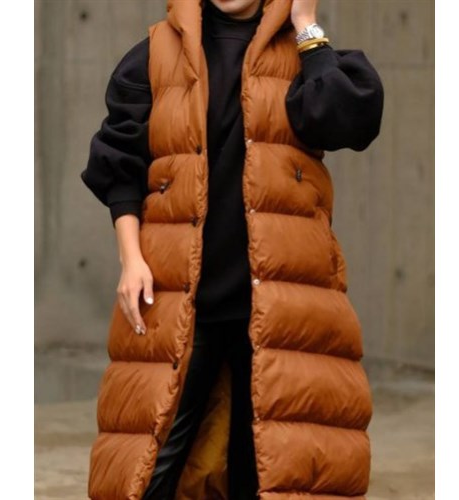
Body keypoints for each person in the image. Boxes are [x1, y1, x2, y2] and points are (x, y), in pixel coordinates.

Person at [81, 0, 384, 498]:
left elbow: (347, 121)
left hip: (281, 305)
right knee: (149, 467)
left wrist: (306, 26)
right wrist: (130, 259)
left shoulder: (303, 55)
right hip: (180, 298)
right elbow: (120, 163)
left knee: (265, 470)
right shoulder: (154, 54)